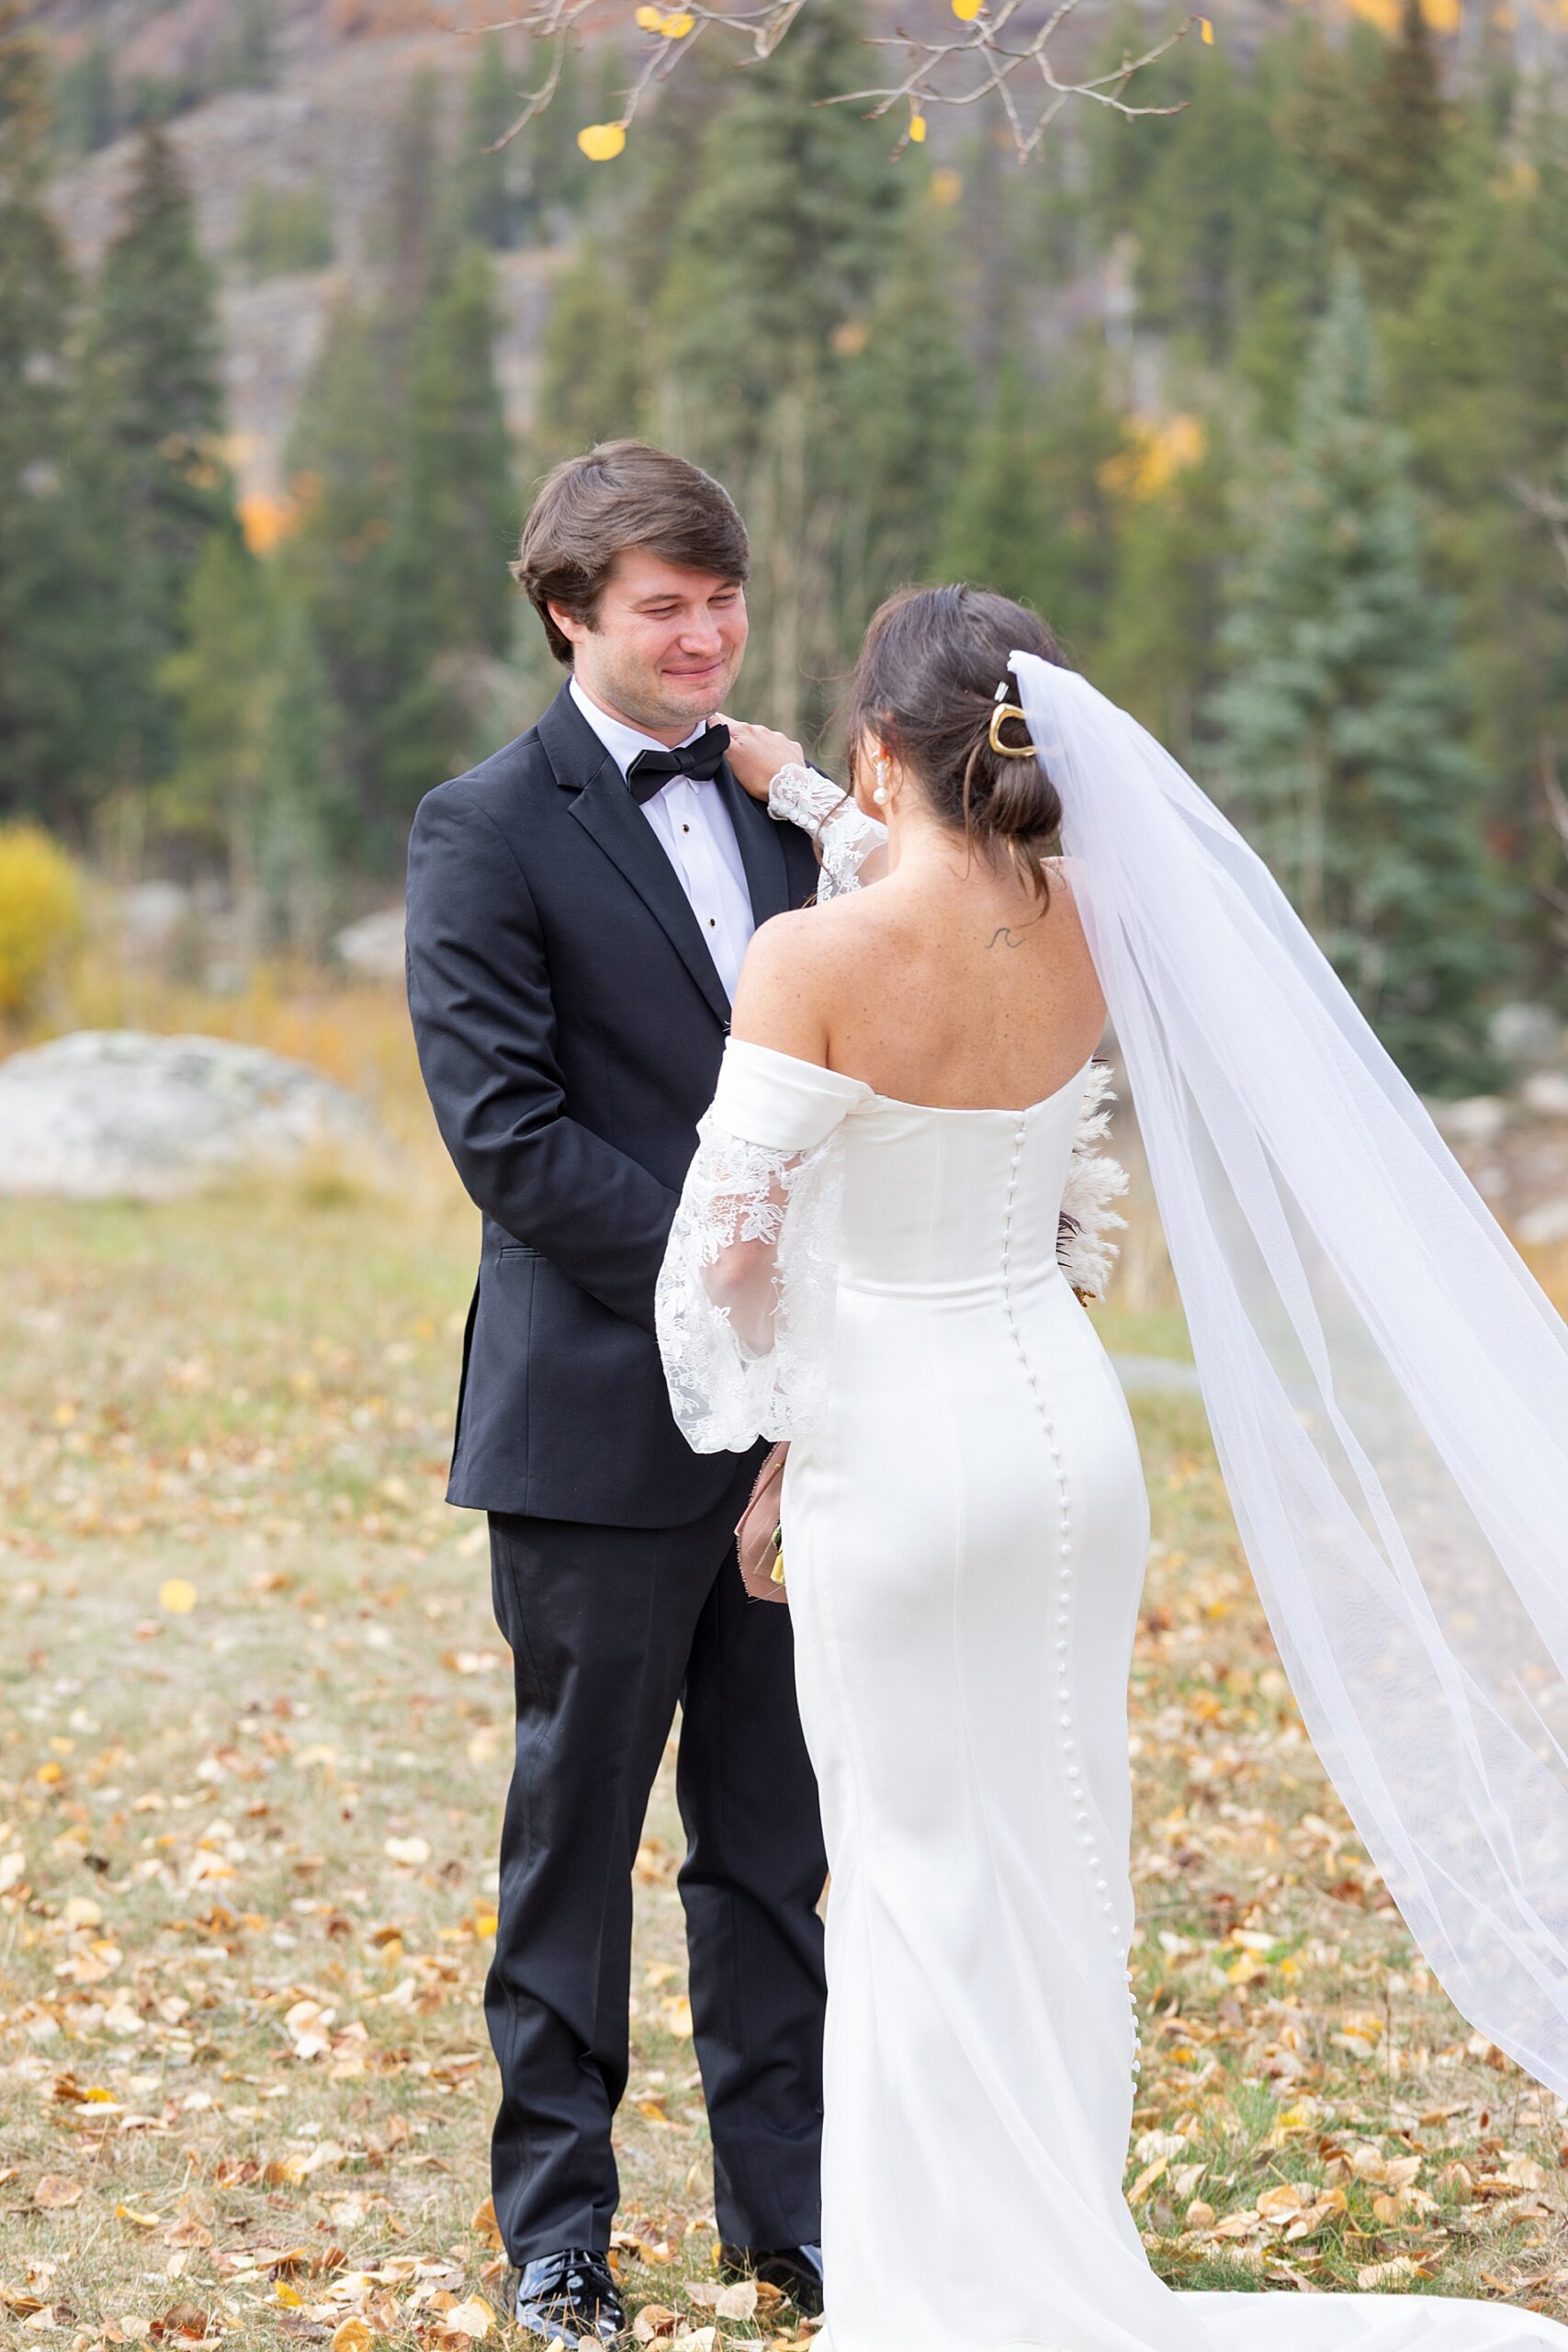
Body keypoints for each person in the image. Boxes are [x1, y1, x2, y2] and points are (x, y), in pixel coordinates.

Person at [656, 581, 1568, 2351]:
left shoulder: (810, 963)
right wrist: (810, 795)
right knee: (1054, 1843)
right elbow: (928, 885)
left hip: (899, 1445)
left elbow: (731, 1256)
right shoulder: (1089, 915)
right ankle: (1052, 2237)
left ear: (882, 747)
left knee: (909, 1865)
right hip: (1068, 1442)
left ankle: (945, 2293)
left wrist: (775, 1420)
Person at [404, 443, 843, 2347]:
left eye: (721, 599)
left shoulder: (787, 815)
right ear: (568, 610)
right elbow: (506, 1132)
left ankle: (789, 2219)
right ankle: (558, 2231)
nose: (704, 634)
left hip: (804, 1425)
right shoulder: (482, 826)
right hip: (596, 1416)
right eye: (664, 605)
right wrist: (725, 1277)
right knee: (572, 1837)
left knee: (772, 1838)